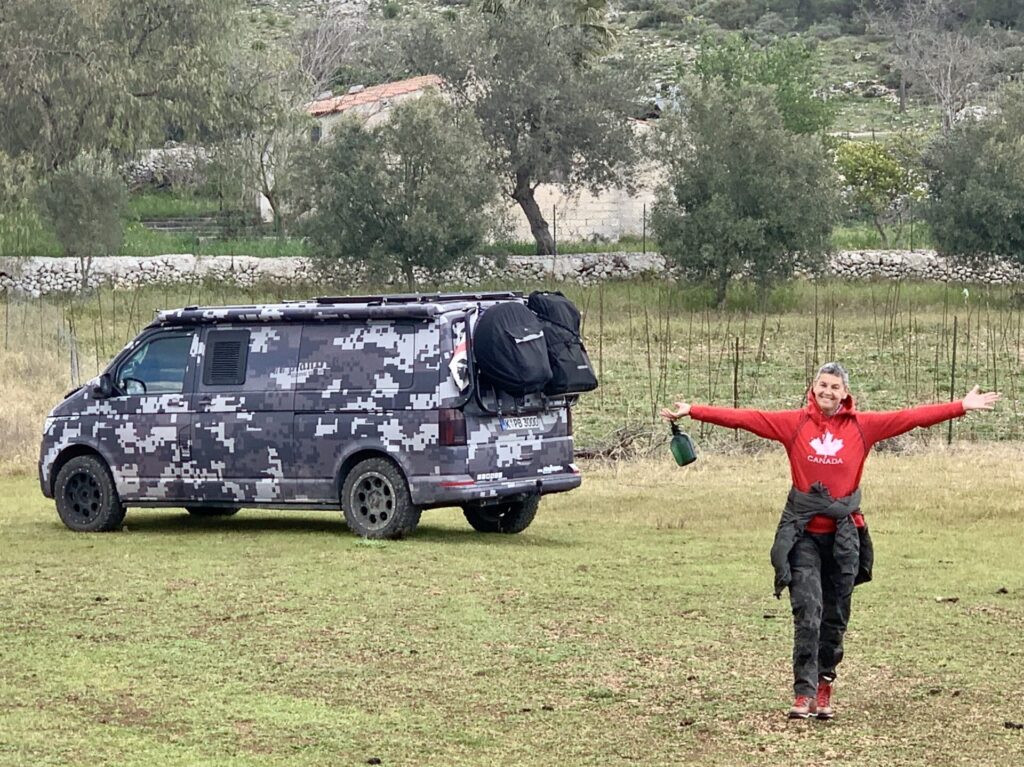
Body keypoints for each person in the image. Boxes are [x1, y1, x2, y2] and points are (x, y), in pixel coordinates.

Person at [660, 362, 1000, 720]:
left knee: (834, 618)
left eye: (835, 387)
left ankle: (824, 686)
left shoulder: (862, 427)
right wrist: (694, 411)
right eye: (823, 385)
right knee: (808, 613)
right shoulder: (795, 424)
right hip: (804, 535)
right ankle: (802, 693)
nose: (828, 391)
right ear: (813, 387)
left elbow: (910, 417)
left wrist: (960, 406)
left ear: (845, 393)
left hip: (844, 536)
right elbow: (747, 418)